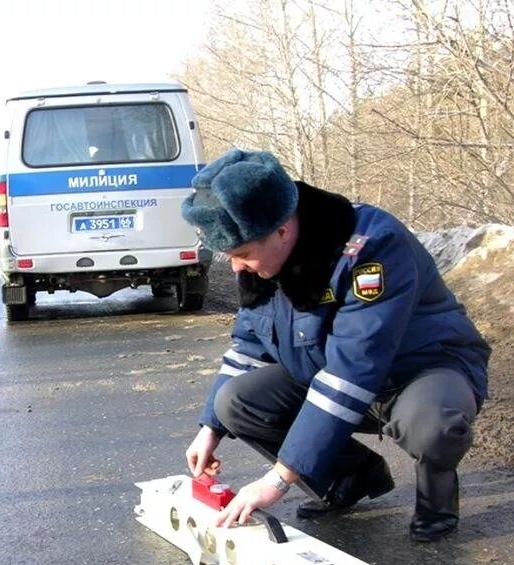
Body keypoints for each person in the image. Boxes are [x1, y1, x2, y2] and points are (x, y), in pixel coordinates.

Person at [181, 148, 490, 542]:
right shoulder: (263, 258)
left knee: (431, 425)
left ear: (282, 230)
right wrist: (210, 429)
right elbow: (247, 346)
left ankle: (437, 499)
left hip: (420, 371)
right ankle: (353, 476)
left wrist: (278, 479)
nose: (236, 267)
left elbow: (353, 368)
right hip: (333, 371)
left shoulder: (371, 248)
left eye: (241, 255)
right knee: (235, 403)